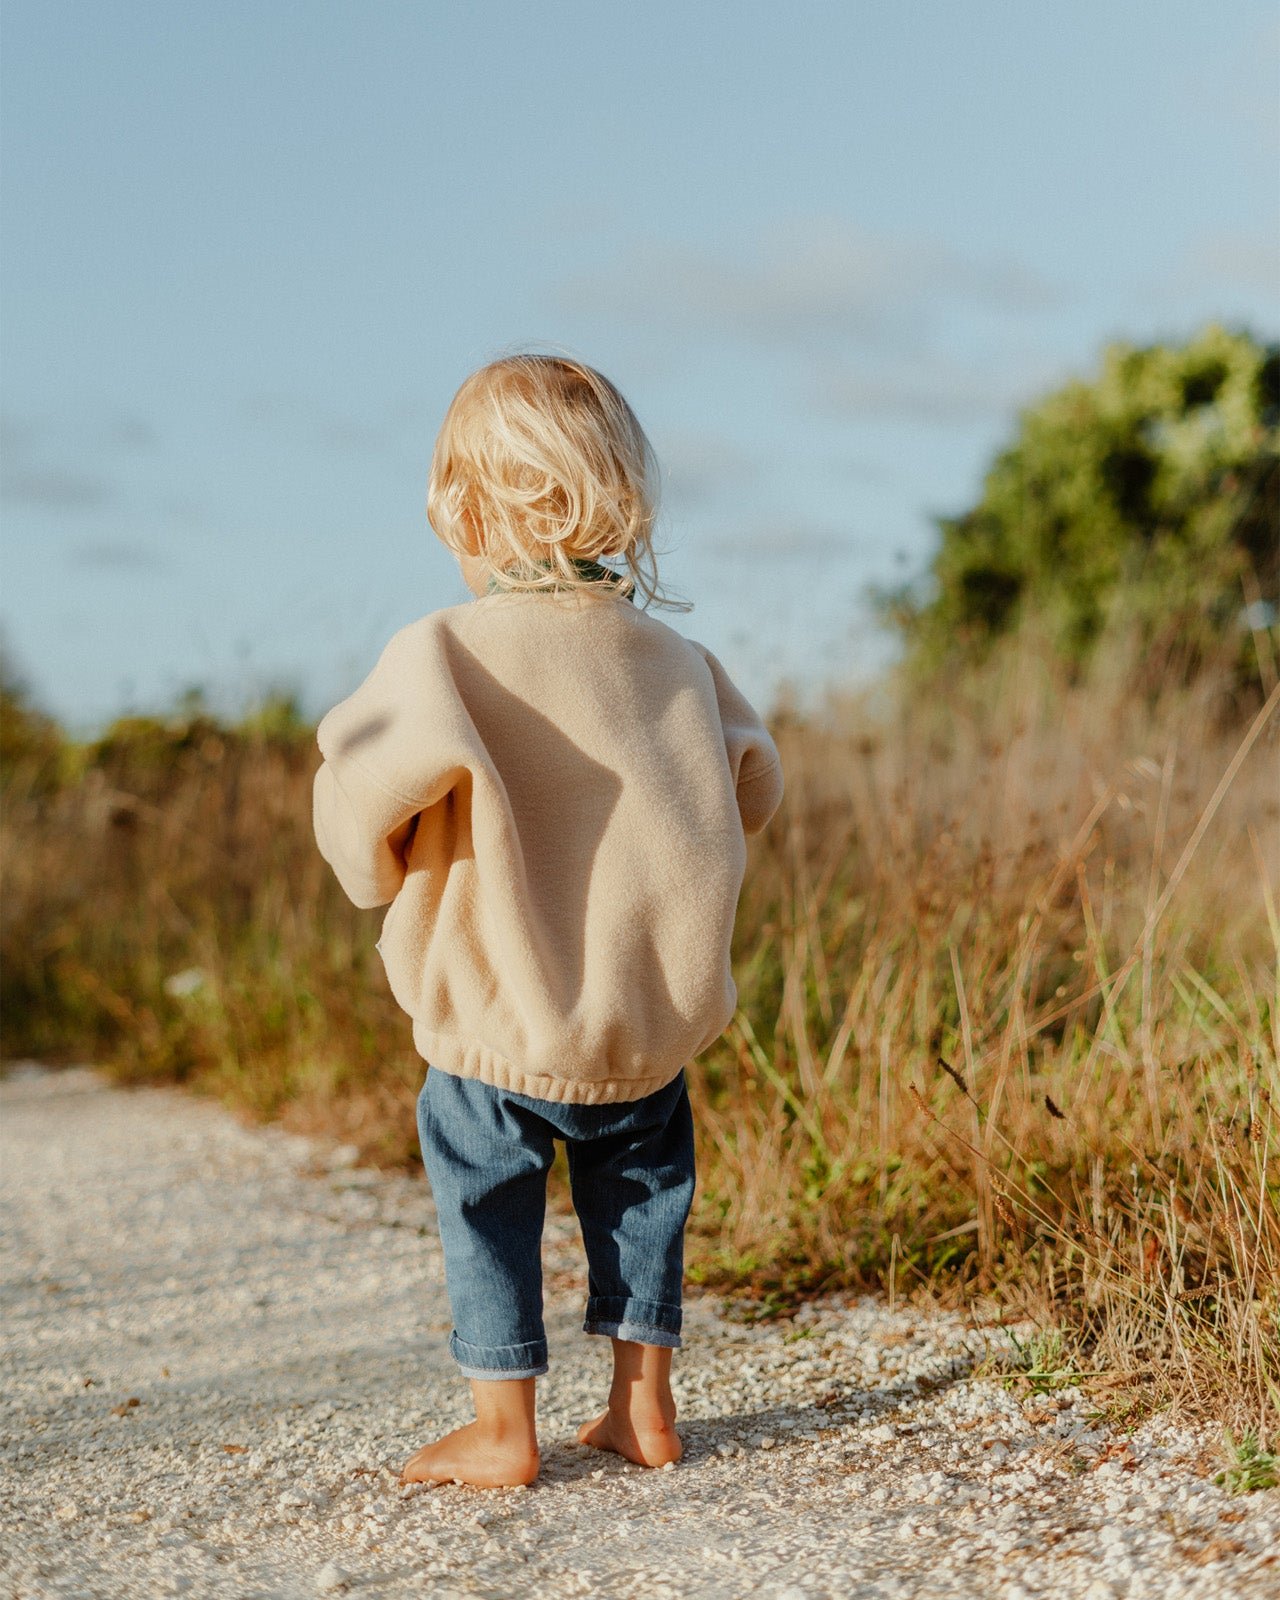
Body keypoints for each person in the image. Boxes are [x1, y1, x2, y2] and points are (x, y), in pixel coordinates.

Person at [312, 354, 784, 1488]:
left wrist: (379, 867)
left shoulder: (443, 655)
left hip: (494, 1018)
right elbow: (756, 786)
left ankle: (502, 1423)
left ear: (463, 509)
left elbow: (356, 800)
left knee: (486, 1201)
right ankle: (643, 1405)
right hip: (641, 1020)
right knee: (641, 1195)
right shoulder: (680, 663)